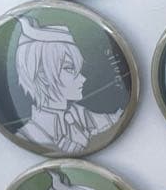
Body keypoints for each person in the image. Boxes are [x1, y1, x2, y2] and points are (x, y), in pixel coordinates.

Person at [14, 16, 122, 154]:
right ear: (43, 75)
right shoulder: (28, 136)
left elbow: (117, 120)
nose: (82, 78)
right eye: (69, 68)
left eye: (78, 69)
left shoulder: (80, 115)